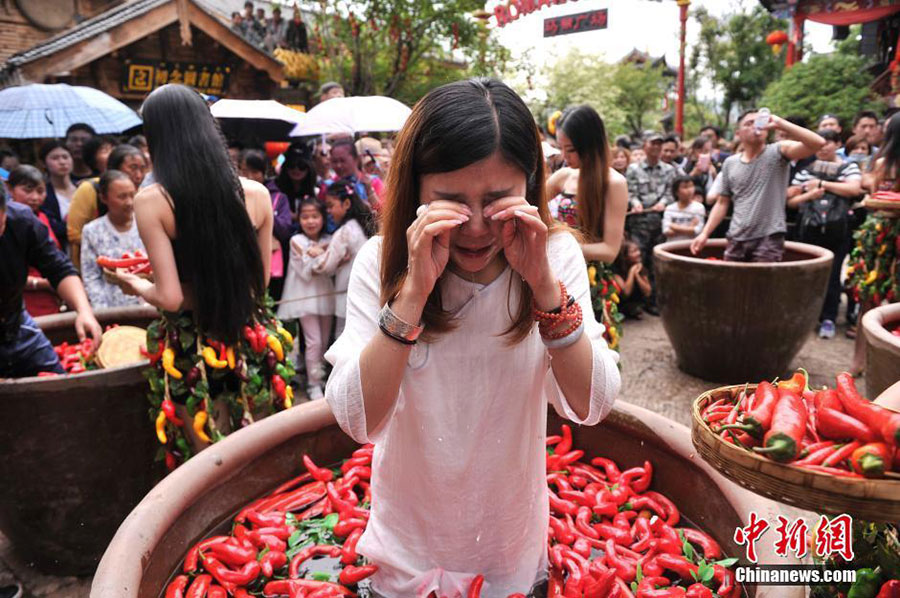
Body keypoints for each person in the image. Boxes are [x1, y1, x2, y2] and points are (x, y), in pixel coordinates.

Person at [324, 79, 620, 598]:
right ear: (415, 188)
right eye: (451, 202)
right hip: (403, 555)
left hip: (507, 553)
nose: (478, 227)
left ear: (530, 186)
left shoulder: (555, 258)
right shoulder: (381, 262)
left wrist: (544, 288)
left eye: (498, 199)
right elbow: (358, 419)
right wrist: (413, 292)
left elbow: (591, 403)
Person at [691, 109, 826, 262]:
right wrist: (704, 234)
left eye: (760, 121)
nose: (756, 126)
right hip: (736, 236)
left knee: (761, 285)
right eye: (749, 123)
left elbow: (818, 143)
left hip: (768, 237)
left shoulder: (778, 151)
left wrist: (780, 123)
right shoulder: (730, 163)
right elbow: (722, 202)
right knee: (731, 284)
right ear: (739, 133)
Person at [546, 105, 628, 349]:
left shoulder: (614, 183)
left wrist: (561, 245)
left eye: (569, 150)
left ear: (590, 146)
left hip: (591, 279)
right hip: (557, 273)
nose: (564, 156)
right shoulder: (563, 176)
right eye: (560, 149)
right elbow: (533, 206)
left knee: (588, 346)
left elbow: (609, 250)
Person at [0, 183, 102, 378]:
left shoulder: (22, 221)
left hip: (16, 324)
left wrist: (84, 311)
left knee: (60, 387)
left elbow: (59, 269)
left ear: (5, 209)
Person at [787, 129, 862, 339]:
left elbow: (854, 189)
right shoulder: (806, 167)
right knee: (805, 274)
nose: (823, 147)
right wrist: (811, 194)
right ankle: (804, 317)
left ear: (838, 144)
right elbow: (791, 199)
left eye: (828, 142)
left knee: (833, 273)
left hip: (838, 231)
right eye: (820, 143)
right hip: (808, 228)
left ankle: (828, 318)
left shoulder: (849, 167)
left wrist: (821, 184)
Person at [847, 113, 900, 374]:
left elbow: (871, 191)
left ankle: (860, 363)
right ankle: (875, 364)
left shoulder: (879, 163)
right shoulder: (881, 163)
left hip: (879, 232)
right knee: (883, 301)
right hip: (884, 237)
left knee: (869, 301)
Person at [277, 198, 334, 400]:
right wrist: (320, 253)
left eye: (315, 216)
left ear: (323, 218)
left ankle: (322, 377)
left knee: (325, 341)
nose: (310, 221)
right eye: (305, 217)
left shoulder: (330, 238)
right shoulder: (297, 241)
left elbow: (331, 266)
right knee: (314, 342)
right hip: (304, 297)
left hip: (326, 296)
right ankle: (313, 384)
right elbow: (307, 271)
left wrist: (321, 252)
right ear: (299, 219)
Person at [67, 144, 147, 268]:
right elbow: (74, 233)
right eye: (132, 168)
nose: (138, 175)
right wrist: (108, 245)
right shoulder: (90, 189)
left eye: (143, 169)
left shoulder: (143, 193)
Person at [314, 178, 374, 338]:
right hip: (367, 292)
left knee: (343, 337)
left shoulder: (345, 232)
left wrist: (314, 256)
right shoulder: (363, 227)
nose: (328, 211)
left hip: (347, 293)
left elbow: (326, 266)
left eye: (330, 205)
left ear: (346, 204)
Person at [625, 131, 677, 313]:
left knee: (656, 262)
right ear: (644, 145)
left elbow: (671, 192)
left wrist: (663, 203)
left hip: (659, 223)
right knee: (638, 261)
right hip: (639, 223)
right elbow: (630, 191)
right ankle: (636, 302)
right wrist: (636, 202)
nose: (656, 147)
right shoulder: (633, 169)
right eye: (652, 143)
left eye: (659, 144)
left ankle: (654, 300)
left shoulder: (669, 170)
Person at [80, 170, 147, 309]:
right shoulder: (92, 231)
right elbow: (91, 277)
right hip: (112, 306)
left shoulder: (147, 223)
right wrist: (103, 310)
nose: (129, 202)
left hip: (148, 301)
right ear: (104, 198)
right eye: (122, 197)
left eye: (132, 195)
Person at [8, 166, 62, 316]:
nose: (35, 197)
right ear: (10, 189)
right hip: (20, 303)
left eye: (40, 191)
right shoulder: (6, 224)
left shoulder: (43, 218)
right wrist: (41, 283)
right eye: (28, 190)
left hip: (50, 299)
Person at [241, 148, 292, 300]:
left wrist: (265, 211)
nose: (249, 176)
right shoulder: (234, 195)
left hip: (271, 266)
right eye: (244, 171)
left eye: (255, 172)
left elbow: (284, 229)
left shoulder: (278, 197)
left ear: (265, 171)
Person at [40, 140, 78, 224]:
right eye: (55, 158)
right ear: (44, 164)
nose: (62, 162)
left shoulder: (82, 187)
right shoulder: (43, 193)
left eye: (65, 157)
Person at [612, 239, 651, 319]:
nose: (638, 253)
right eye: (634, 251)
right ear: (625, 256)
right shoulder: (616, 271)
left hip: (636, 302)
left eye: (638, 250)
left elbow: (648, 292)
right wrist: (632, 272)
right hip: (622, 303)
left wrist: (637, 276)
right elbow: (626, 292)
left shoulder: (639, 267)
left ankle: (635, 309)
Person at [663, 176, 705, 242]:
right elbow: (666, 231)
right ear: (676, 192)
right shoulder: (670, 208)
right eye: (685, 187)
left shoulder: (699, 207)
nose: (690, 190)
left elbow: (698, 230)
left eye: (691, 186)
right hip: (672, 245)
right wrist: (689, 228)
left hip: (690, 244)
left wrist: (674, 226)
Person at [682, 136, 717, 202]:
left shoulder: (715, 164)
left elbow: (720, 186)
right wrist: (693, 174)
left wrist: (714, 174)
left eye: (707, 151)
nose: (704, 154)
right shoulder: (688, 165)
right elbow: (681, 184)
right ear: (694, 151)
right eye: (700, 151)